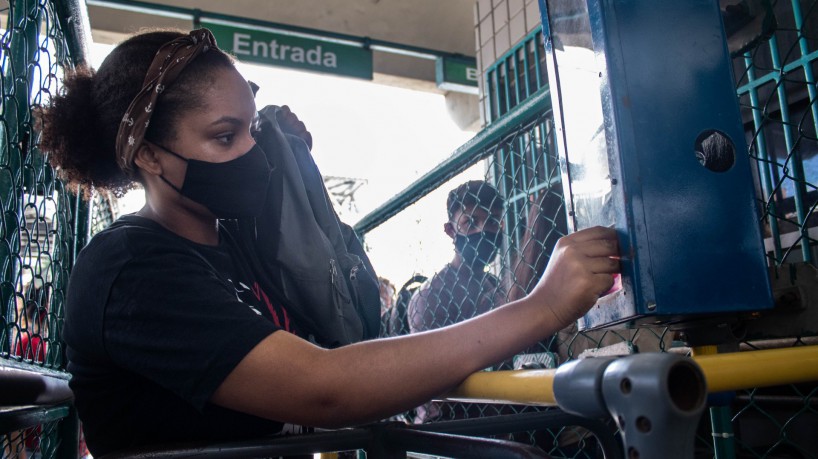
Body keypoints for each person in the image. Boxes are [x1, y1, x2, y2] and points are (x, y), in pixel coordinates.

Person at [38, 28, 620, 456]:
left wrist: (297, 169)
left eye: (251, 129)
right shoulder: (131, 269)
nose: (251, 153)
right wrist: (541, 306)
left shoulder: (238, 245)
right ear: (147, 156)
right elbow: (324, 388)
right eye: (224, 137)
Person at [407, 181, 507, 335]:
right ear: (451, 231)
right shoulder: (431, 295)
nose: (483, 230)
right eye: (470, 222)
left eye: (492, 221)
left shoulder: (494, 283)